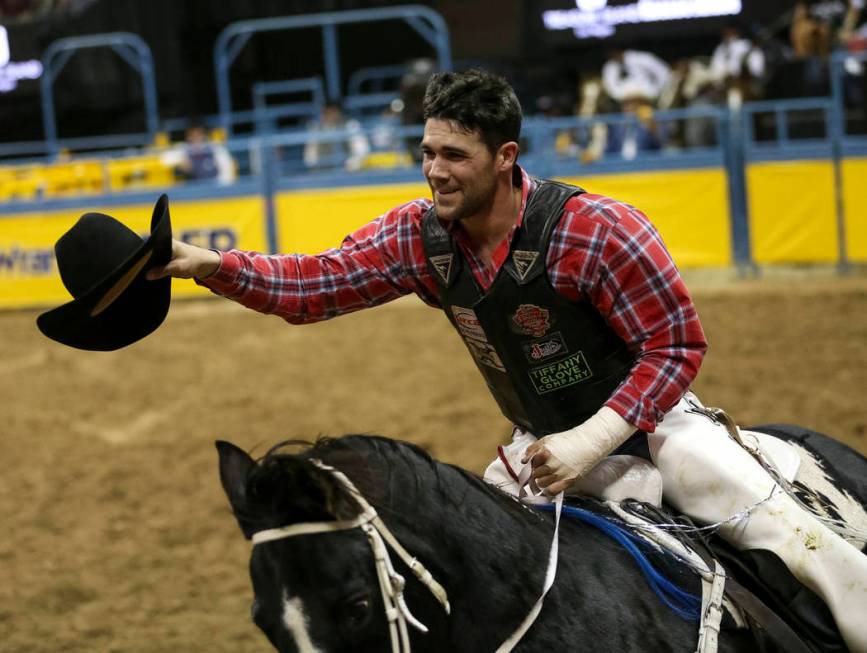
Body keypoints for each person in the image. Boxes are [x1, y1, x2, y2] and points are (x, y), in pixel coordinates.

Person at [147, 69, 867, 651]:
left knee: (789, 532)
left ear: (506, 157)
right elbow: (317, 284)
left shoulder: (595, 231)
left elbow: (676, 346)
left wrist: (593, 438)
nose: (434, 171)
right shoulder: (417, 236)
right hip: (537, 449)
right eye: (426, 152)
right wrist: (210, 265)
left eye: (453, 155)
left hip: (658, 432)